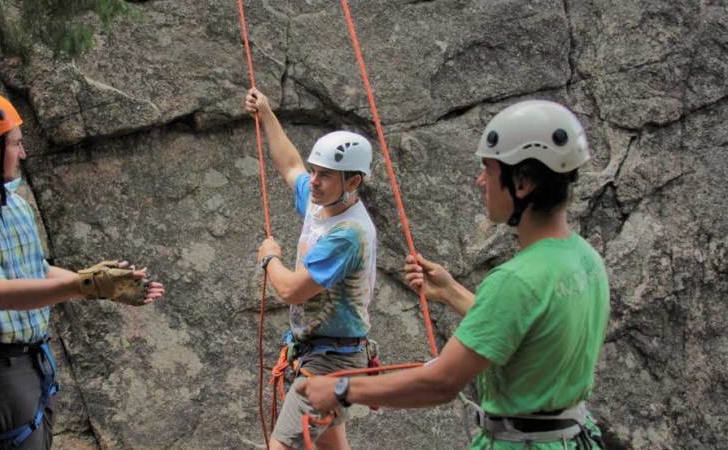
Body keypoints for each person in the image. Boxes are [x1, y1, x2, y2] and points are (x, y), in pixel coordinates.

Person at [297, 100, 610, 450]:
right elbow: (525, 327)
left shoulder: (515, 279)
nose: (480, 181)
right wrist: (450, 292)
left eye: (488, 170)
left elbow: (442, 381)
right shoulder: (584, 258)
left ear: (522, 182)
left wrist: (342, 389)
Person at [0, 90, 165, 450]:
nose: (22, 153)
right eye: (14, 145)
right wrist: (84, 285)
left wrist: (101, 285)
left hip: (35, 358)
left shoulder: (13, 204)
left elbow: (36, 270)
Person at [245, 87, 378, 450]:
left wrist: (269, 258)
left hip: (330, 360)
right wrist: (267, 113)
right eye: (315, 171)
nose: (314, 181)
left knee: (282, 446)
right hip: (323, 351)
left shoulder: (348, 234)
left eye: (326, 175)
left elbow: (290, 290)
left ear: (353, 182)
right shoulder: (324, 203)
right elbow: (290, 166)